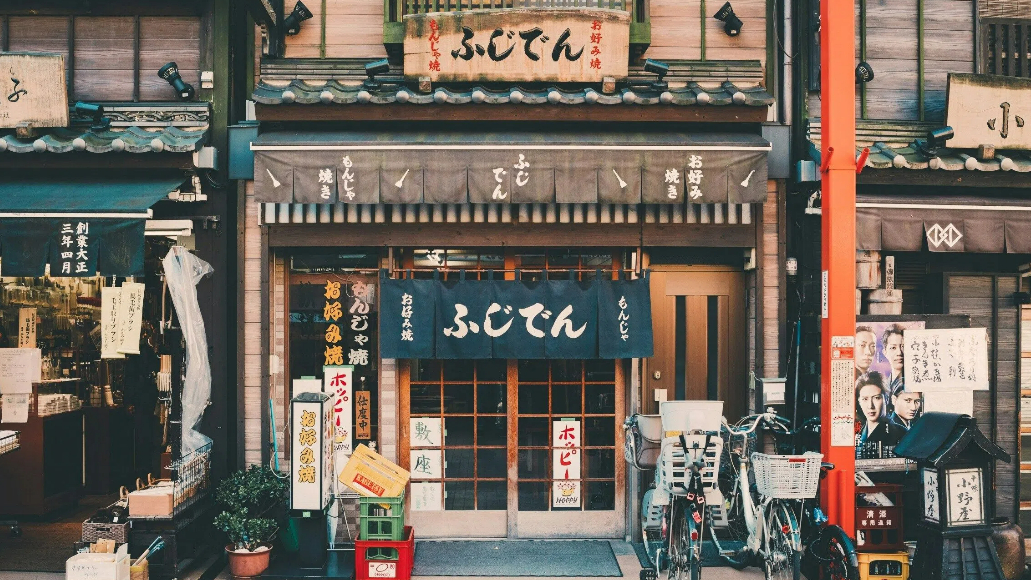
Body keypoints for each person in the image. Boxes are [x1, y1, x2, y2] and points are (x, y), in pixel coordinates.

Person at [855, 372, 904, 450]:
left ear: (886, 399)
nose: (870, 406)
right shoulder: (857, 434)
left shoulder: (901, 433)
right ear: (859, 401)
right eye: (865, 399)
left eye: (876, 398)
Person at [881, 324, 906, 395]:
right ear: (885, 352)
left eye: (903, 347)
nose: (899, 352)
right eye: (893, 348)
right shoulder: (884, 386)